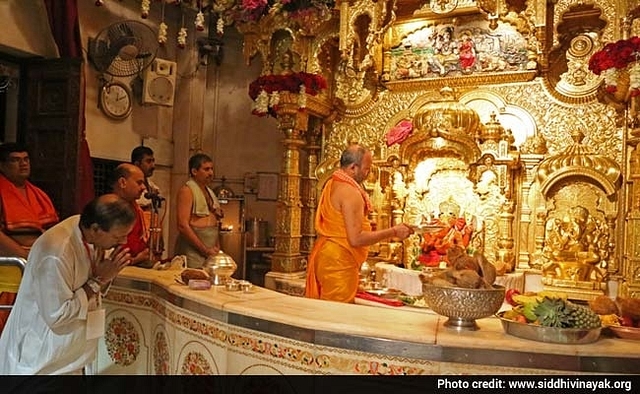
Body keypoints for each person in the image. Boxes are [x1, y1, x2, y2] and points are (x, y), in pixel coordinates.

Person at [0, 194, 135, 374]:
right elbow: (57, 315)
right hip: (40, 364)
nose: (123, 242)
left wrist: (106, 273)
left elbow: (90, 284)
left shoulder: (87, 233)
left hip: (68, 359)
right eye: (118, 237)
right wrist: (99, 280)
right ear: (95, 229)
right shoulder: (56, 252)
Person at [305, 144, 414, 303]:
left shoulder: (333, 182)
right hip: (339, 260)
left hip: (328, 254)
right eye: (366, 169)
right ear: (353, 167)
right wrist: (394, 231)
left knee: (329, 310)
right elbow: (355, 239)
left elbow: (340, 222)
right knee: (337, 316)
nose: (368, 174)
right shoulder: (350, 192)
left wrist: (365, 224)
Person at [0, 143, 59, 333]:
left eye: (26, 159)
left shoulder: (39, 194)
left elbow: (52, 231)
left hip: (39, 266)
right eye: (16, 160)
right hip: (10, 266)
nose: (23, 164)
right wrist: (23, 257)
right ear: (2, 166)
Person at [175, 153, 224, 268]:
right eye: (206, 169)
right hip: (193, 251)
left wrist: (217, 246)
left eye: (211, 169)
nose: (211, 173)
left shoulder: (209, 192)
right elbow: (183, 225)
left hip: (210, 250)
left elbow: (214, 222)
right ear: (194, 171)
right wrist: (204, 250)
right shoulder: (187, 191)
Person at [111, 163, 151, 267]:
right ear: (122, 182)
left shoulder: (135, 207)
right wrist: (135, 260)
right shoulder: (110, 208)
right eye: (139, 183)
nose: (143, 187)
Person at [131, 145, 164, 260]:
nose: (153, 166)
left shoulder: (152, 187)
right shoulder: (131, 190)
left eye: (153, 161)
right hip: (137, 240)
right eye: (148, 161)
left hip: (152, 238)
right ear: (137, 164)